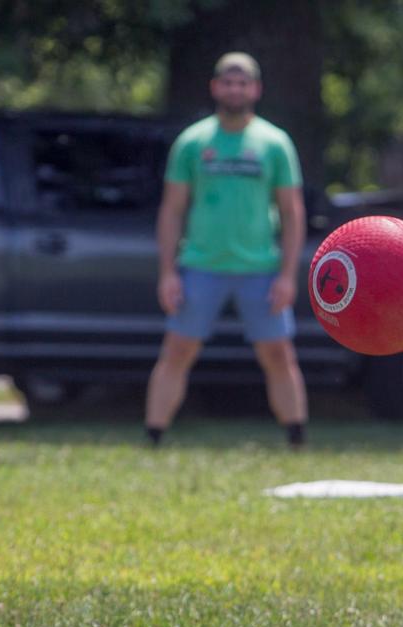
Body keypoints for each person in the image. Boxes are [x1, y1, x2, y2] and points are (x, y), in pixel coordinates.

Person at [145, 51, 308, 448]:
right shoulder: (193, 142)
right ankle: (154, 436)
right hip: (201, 265)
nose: (235, 90)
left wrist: (288, 276)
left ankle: (296, 438)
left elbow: (291, 212)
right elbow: (172, 209)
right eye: (228, 83)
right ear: (215, 87)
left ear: (256, 89)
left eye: (243, 83)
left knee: (278, 354)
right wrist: (168, 272)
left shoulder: (274, 143)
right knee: (178, 350)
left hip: (261, 268)